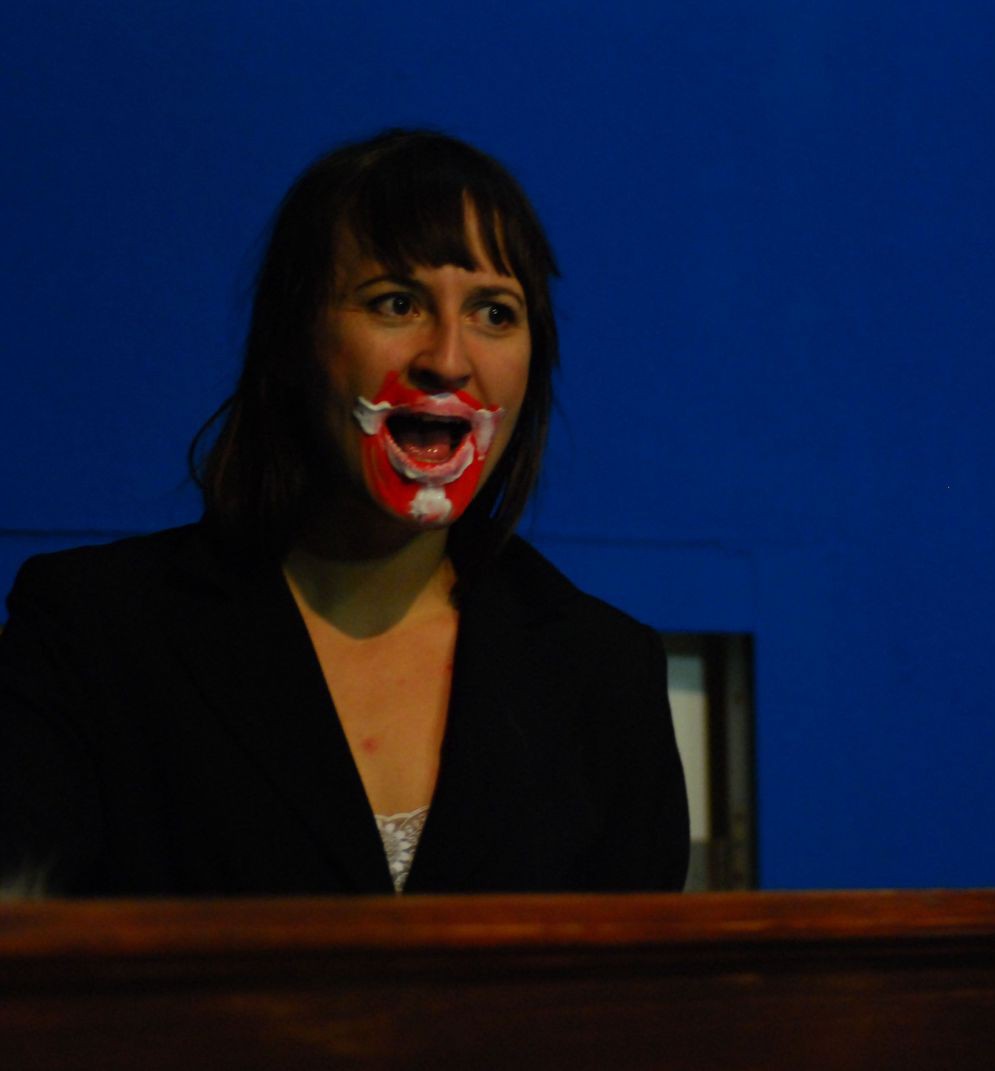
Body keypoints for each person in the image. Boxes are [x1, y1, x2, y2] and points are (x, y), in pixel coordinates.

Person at [0, 130, 689, 896]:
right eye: (396, 303)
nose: (448, 359)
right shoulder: (94, 633)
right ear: (297, 339)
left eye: (495, 312)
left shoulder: (604, 673)